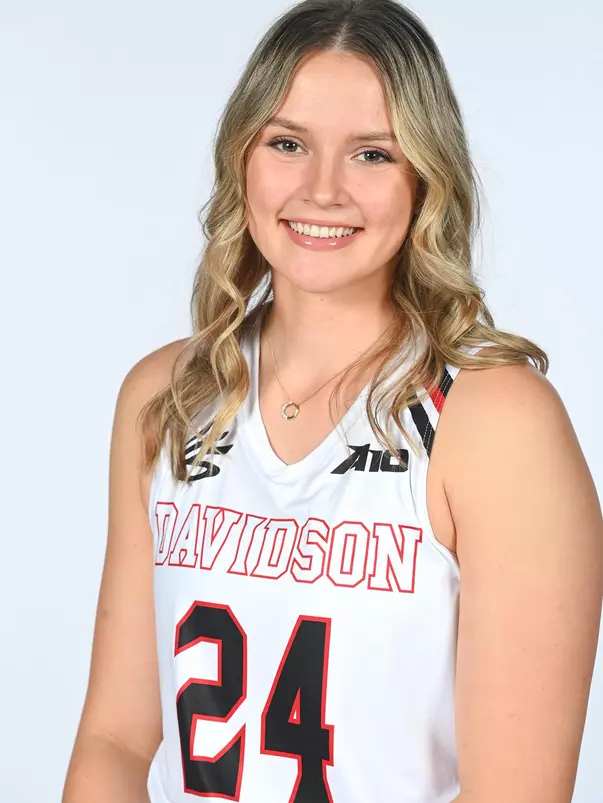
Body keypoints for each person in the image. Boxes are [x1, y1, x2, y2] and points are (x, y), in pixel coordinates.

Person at [62, 1, 603, 802]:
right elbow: (113, 737)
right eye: (287, 143)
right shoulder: (167, 396)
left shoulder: (495, 424)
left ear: (426, 175)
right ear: (241, 157)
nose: (321, 190)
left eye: (371, 155)